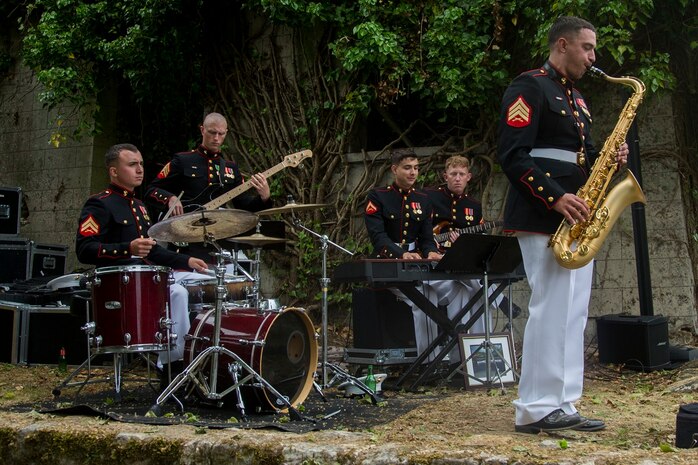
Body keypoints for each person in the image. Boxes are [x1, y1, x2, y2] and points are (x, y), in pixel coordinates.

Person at [497, 16, 628, 433]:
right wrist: (555, 197)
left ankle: (564, 401)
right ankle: (535, 407)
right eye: (587, 48)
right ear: (562, 45)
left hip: (577, 217)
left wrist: (612, 158)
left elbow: (584, 155)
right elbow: (514, 155)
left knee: (573, 312)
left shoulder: (579, 99)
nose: (593, 57)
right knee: (550, 309)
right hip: (543, 215)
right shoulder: (529, 86)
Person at [76, 143, 209, 386]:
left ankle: (183, 363)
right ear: (114, 171)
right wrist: (127, 248)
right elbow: (84, 249)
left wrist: (186, 261)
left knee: (191, 288)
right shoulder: (99, 204)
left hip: (147, 280)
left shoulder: (139, 206)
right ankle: (172, 366)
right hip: (119, 285)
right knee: (177, 292)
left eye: (141, 164)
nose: (140, 170)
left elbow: (153, 251)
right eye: (132, 165)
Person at [364, 148, 473, 367]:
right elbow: (378, 237)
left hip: (418, 261)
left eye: (416, 168)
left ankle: (458, 359)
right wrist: (401, 254)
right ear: (394, 169)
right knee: (426, 293)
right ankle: (428, 363)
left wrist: (431, 250)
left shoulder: (423, 199)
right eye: (407, 168)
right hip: (389, 262)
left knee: (461, 287)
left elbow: (426, 238)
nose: (413, 172)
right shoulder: (378, 196)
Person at [144, 112, 273, 263]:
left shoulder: (231, 169)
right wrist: (170, 199)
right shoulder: (182, 160)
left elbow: (243, 205)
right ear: (202, 130)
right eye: (212, 132)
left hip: (216, 240)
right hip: (184, 241)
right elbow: (150, 190)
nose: (216, 138)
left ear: (226, 133)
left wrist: (264, 197)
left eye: (221, 134)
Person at [425, 155, 520, 334]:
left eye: (462, 174)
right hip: (437, 260)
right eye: (453, 174)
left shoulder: (473, 206)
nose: (458, 178)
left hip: (461, 260)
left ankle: (477, 348)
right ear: (446, 176)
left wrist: (464, 243)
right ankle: (499, 300)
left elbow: (479, 237)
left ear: (469, 177)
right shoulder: (430, 197)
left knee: (475, 290)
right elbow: (422, 230)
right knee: (477, 283)